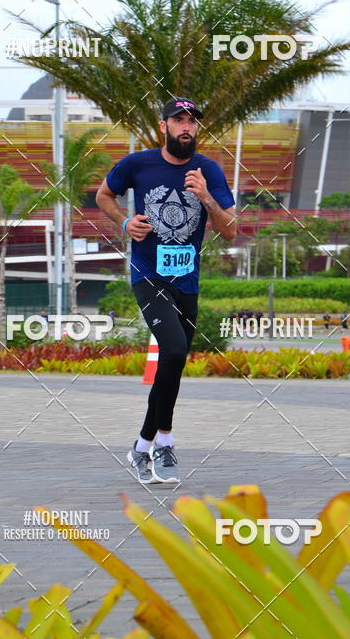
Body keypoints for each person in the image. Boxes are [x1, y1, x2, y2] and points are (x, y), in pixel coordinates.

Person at [96, 97, 237, 484]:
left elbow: (229, 230)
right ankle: (165, 443)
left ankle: (143, 447)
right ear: (164, 126)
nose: (186, 126)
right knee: (173, 351)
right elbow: (103, 195)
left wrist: (206, 197)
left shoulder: (208, 171)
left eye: (191, 121)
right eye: (178, 120)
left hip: (186, 281)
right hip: (148, 276)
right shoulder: (137, 164)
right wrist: (124, 223)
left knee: (172, 366)